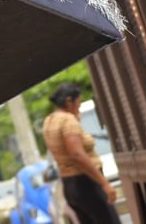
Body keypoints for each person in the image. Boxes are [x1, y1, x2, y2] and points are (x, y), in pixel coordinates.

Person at [42, 83, 121, 224]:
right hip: (86, 183)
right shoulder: (68, 121)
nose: (79, 105)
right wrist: (104, 183)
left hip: (70, 185)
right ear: (69, 101)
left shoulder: (49, 121)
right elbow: (77, 155)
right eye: (78, 101)